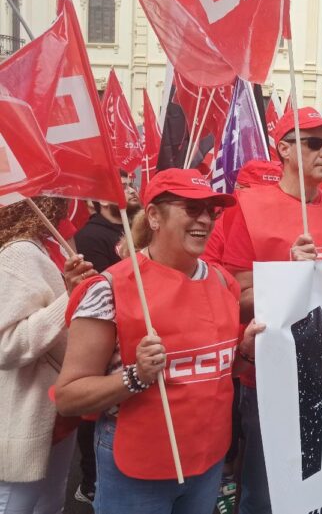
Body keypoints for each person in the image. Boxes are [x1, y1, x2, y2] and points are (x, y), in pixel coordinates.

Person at [55, 169, 263, 514]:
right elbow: (68, 396)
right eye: (192, 208)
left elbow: (222, 368)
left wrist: (246, 351)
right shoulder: (110, 288)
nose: (205, 220)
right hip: (137, 469)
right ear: (153, 216)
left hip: (206, 462)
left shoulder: (224, 283)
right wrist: (134, 376)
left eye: (212, 210)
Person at [223, 107, 322, 514]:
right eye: (313, 143)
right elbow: (234, 295)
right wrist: (286, 274)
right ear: (283, 149)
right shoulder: (246, 206)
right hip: (271, 375)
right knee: (266, 493)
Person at [0, 197, 96, 514]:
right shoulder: (19, 252)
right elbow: (7, 346)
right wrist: (68, 297)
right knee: (17, 505)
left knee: (50, 504)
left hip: (55, 410)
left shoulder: (43, 244)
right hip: (27, 411)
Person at [70, 171, 142, 504]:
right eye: (118, 185)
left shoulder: (132, 225)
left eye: (129, 183)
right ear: (97, 200)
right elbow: (104, 289)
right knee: (97, 405)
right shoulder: (90, 236)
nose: (128, 188)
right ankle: (91, 480)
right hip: (108, 338)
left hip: (136, 339)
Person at [202, 160, 283, 267]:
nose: (267, 201)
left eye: (274, 195)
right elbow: (209, 271)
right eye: (259, 194)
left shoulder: (290, 222)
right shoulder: (217, 226)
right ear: (238, 188)